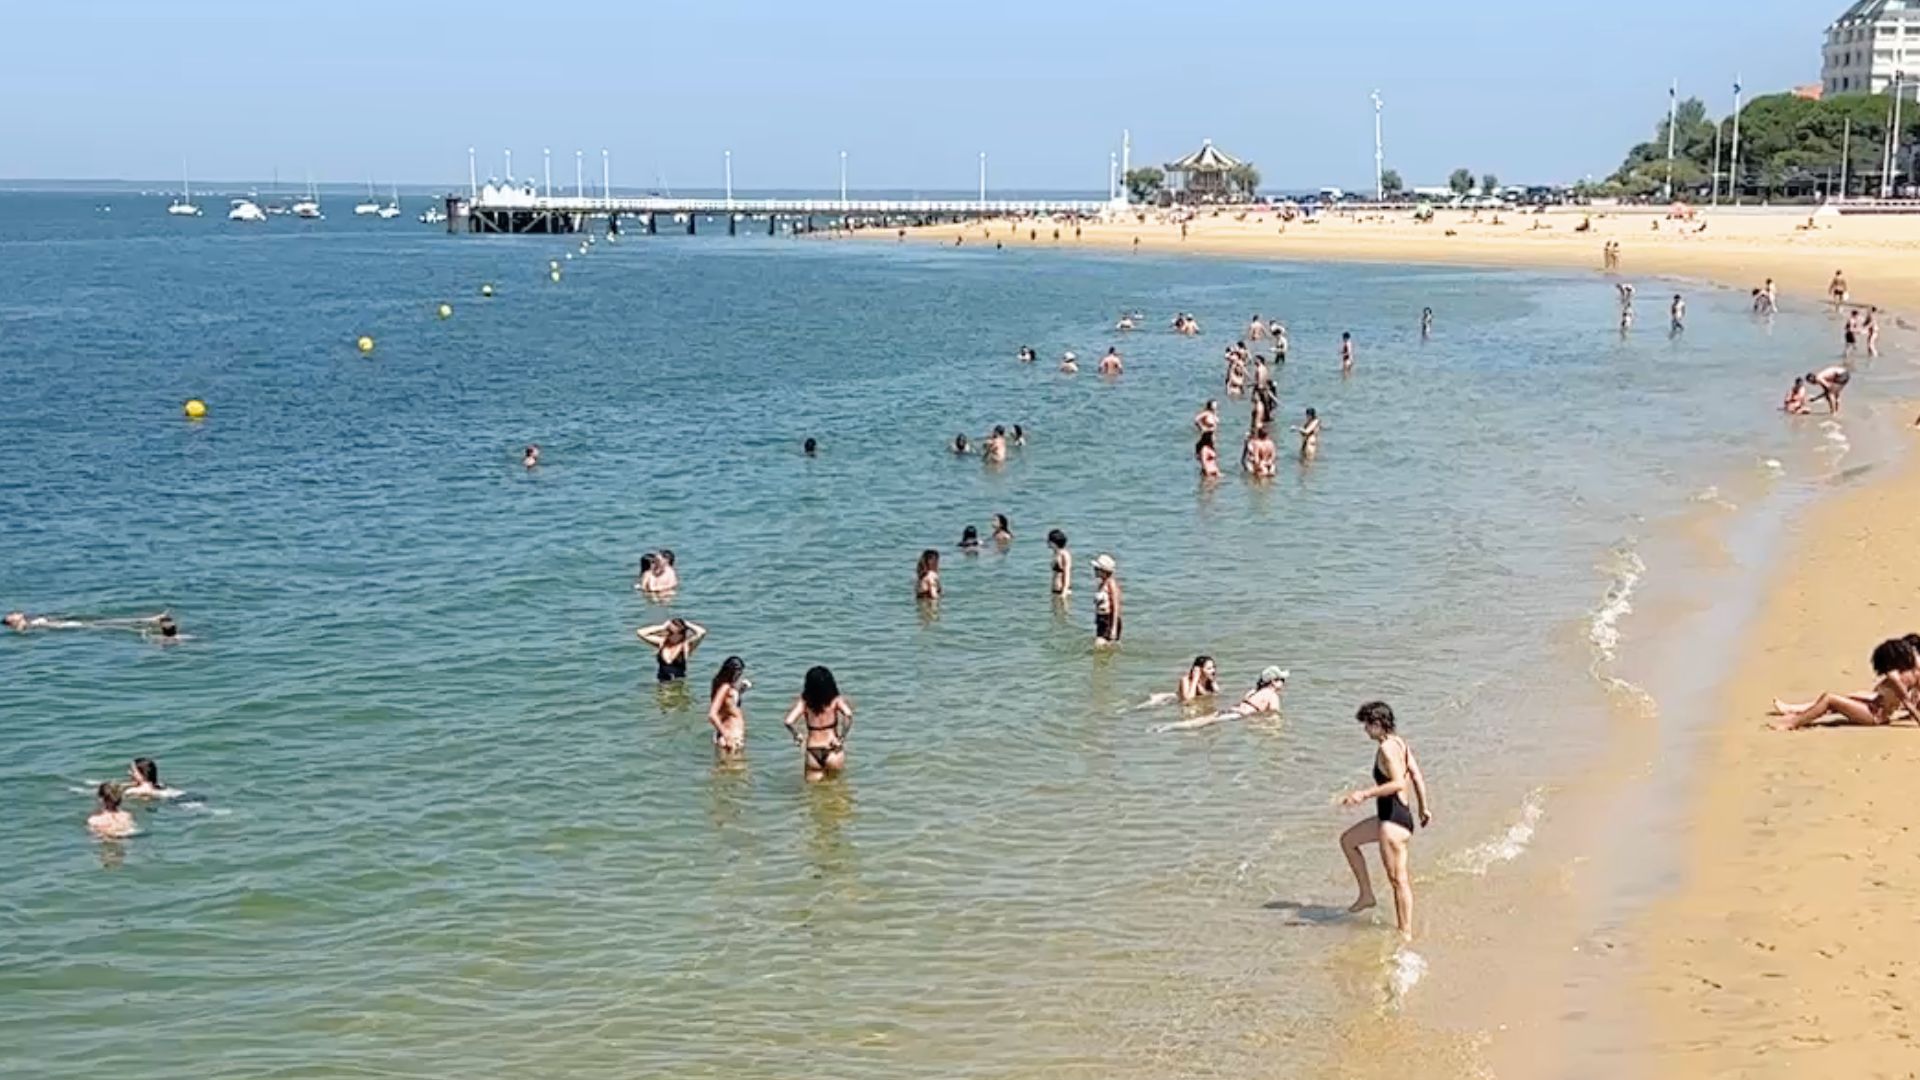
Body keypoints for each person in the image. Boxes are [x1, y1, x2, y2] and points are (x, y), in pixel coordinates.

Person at [1338, 701, 1432, 942]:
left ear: (1378, 724)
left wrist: (1364, 794)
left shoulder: (1387, 750)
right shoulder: (1400, 743)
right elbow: (1416, 775)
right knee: (1348, 840)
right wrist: (1423, 808)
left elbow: (1399, 783)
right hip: (1394, 816)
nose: (1365, 729)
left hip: (1392, 823)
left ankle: (1405, 933)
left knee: (1398, 881)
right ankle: (1366, 895)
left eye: (1367, 724)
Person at [1771, 638, 1920, 730]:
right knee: (1844, 699)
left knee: (1829, 699)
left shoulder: (1894, 676)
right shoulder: (1912, 674)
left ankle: (1793, 723)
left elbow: (1907, 701)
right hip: (1875, 708)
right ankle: (1795, 715)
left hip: (1875, 716)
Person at [1154, 667, 1288, 731]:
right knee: (1201, 723)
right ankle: (1166, 728)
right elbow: (1274, 715)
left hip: (1231, 710)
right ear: (1273, 681)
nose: (1284, 683)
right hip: (1237, 715)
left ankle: (1167, 726)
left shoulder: (1254, 691)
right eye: (1282, 680)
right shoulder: (1272, 695)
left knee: (1198, 721)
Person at [782, 666, 855, 780]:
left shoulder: (805, 702)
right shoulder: (835, 700)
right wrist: (842, 738)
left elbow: (788, 721)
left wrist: (797, 735)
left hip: (813, 751)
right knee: (837, 788)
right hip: (832, 748)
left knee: (813, 790)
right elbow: (848, 715)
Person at [636, 617, 708, 683]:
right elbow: (640, 633)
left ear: (682, 633)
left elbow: (702, 632)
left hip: (678, 684)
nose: (674, 636)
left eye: (677, 633)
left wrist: (687, 623)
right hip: (662, 684)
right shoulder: (662, 642)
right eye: (671, 632)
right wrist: (662, 627)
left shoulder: (686, 645)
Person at [708, 656, 750, 752]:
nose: (739, 676)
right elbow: (712, 715)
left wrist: (739, 691)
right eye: (739, 673)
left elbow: (728, 705)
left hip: (731, 738)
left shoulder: (725, 688)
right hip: (730, 738)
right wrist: (726, 735)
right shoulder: (725, 687)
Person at [1092, 554, 1123, 646]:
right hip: (1102, 620)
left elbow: (1116, 606)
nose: (1094, 570)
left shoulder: (1111, 584)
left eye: (1097, 569)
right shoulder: (1102, 584)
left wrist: (1113, 628)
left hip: (1109, 620)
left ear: (1104, 571)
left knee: (1098, 646)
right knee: (1103, 648)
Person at [1049, 529, 1073, 596]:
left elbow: (1067, 573)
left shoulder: (1064, 554)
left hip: (1062, 591)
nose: (1048, 542)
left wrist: (1064, 592)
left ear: (1054, 542)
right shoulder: (1056, 553)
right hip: (1056, 590)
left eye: (1049, 540)